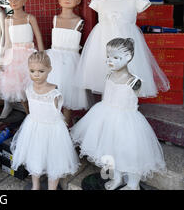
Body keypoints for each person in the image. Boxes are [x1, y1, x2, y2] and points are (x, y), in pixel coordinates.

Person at [71, 38, 166, 190]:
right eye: (108, 56)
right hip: (105, 116)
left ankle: (132, 184)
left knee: (129, 153)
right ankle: (117, 178)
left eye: (115, 57)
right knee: (109, 150)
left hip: (126, 120)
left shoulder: (134, 82)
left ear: (128, 57)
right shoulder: (109, 76)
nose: (110, 60)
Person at [76, 0, 169, 97]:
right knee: (103, 74)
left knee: (128, 75)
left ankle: (125, 105)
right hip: (102, 42)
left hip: (126, 42)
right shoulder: (99, 0)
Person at [10, 51, 79, 190]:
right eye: (32, 71)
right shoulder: (28, 89)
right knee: (34, 156)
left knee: (55, 161)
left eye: (41, 71)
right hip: (33, 128)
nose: (36, 74)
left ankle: (52, 188)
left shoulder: (55, 92)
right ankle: (35, 186)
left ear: (49, 70)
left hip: (53, 130)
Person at [0, 0, 44, 119]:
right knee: (19, 87)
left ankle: (37, 113)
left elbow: (38, 37)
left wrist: (42, 54)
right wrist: (3, 59)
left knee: (32, 85)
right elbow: (7, 42)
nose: (13, 1)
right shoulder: (8, 20)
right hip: (14, 56)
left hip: (30, 55)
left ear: (25, 0)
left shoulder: (30, 18)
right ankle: (29, 114)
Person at [45, 0, 88, 126]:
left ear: (78, 1)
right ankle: (53, 121)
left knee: (70, 96)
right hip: (54, 60)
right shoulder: (55, 19)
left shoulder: (79, 21)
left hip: (71, 61)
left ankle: (66, 124)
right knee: (53, 92)